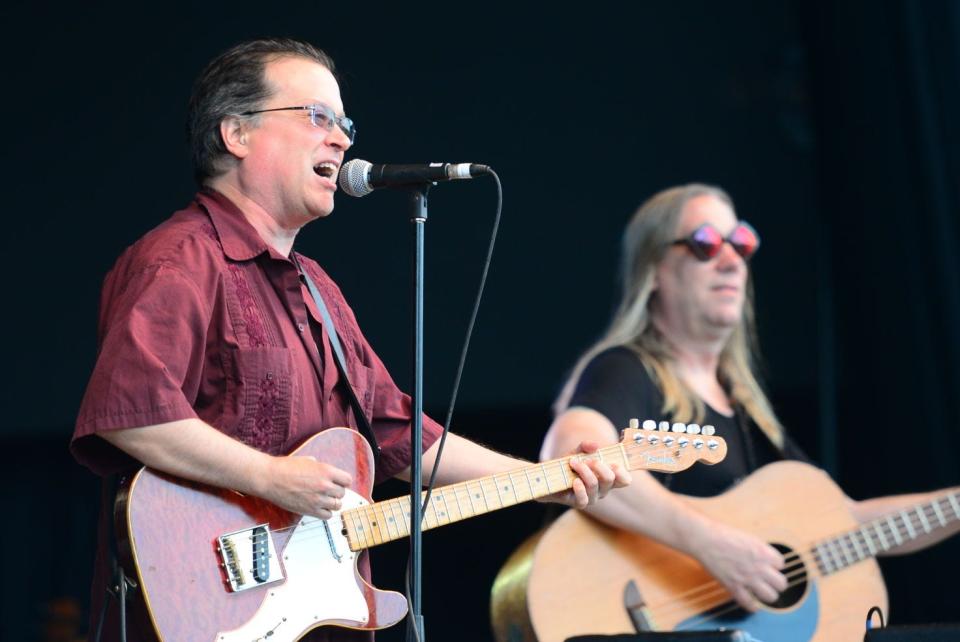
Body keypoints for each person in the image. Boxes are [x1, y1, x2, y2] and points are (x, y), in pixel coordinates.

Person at [71, 38, 629, 642]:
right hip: (201, 612)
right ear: (236, 134)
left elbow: (401, 438)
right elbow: (132, 416)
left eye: (345, 123)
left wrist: (548, 477)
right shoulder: (180, 259)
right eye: (316, 116)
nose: (341, 139)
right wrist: (271, 478)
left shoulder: (318, 289)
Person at [541, 183, 960, 613]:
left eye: (741, 243)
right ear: (654, 270)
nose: (731, 260)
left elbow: (845, 521)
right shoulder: (627, 369)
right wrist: (709, 543)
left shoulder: (744, 406)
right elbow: (568, 454)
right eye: (705, 243)